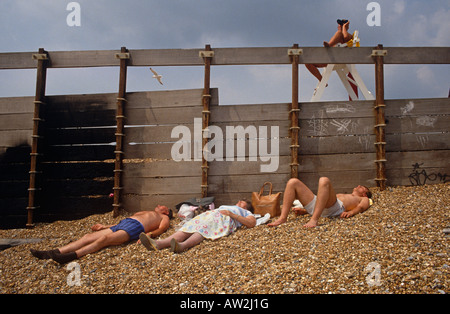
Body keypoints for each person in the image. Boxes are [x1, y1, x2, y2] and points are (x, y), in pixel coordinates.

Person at [30, 205, 173, 264]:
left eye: (162, 206)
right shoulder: (148, 211)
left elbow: (161, 229)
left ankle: (71, 256)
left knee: (104, 239)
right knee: (87, 237)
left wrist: (148, 235)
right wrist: (104, 226)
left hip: (135, 228)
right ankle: (51, 253)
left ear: (166, 211)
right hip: (124, 223)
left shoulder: (164, 218)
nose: (159, 205)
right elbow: (126, 220)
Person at [139, 200, 256, 253]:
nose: (240, 201)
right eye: (239, 202)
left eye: (243, 202)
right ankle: (159, 243)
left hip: (224, 218)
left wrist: (232, 214)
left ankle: (182, 246)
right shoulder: (231, 206)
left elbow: (252, 223)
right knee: (188, 228)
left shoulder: (246, 212)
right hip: (211, 214)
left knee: (204, 230)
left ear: (246, 207)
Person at [268, 177, 371, 228]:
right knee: (293, 182)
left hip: (334, 208)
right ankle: (282, 218)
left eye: (362, 187)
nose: (358, 186)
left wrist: (351, 213)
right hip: (319, 207)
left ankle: (314, 220)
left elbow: (361, 207)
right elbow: (322, 202)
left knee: (324, 180)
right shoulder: (347, 195)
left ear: (365, 194)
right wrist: (305, 211)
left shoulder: (363, 199)